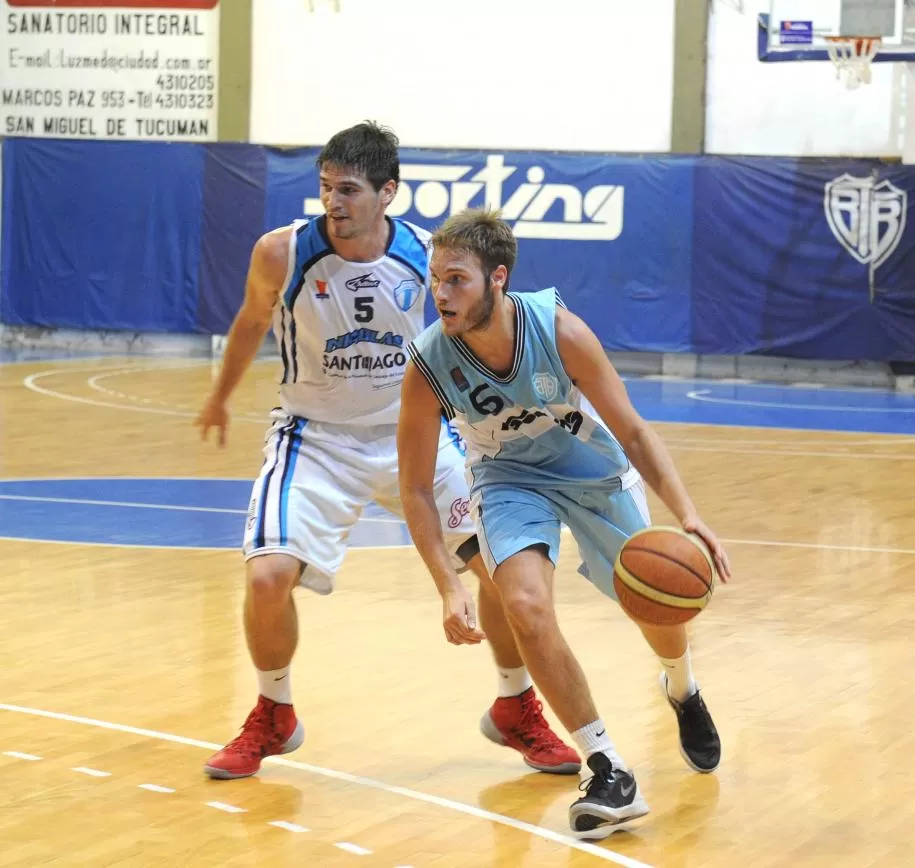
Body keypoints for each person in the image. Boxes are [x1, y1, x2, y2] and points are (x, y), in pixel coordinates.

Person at [194, 123, 579, 780]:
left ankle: (516, 706)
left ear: (388, 192)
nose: (333, 203)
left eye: (348, 190)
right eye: (325, 188)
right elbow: (251, 322)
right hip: (315, 437)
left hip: (417, 433)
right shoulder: (280, 254)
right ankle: (274, 712)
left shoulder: (428, 258)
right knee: (265, 577)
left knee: (499, 570)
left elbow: (475, 342)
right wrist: (219, 396)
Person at [397, 208, 731, 839]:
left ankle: (682, 688)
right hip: (508, 481)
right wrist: (447, 583)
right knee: (524, 605)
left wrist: (688, 516)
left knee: (656, 604)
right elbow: (413, 486)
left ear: (498, 280)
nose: (441, 294)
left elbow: (632, 429)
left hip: (592, 472)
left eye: (457, 280)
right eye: (436, 279)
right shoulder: (429, 361)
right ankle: (605, 764)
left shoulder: (559, 332)